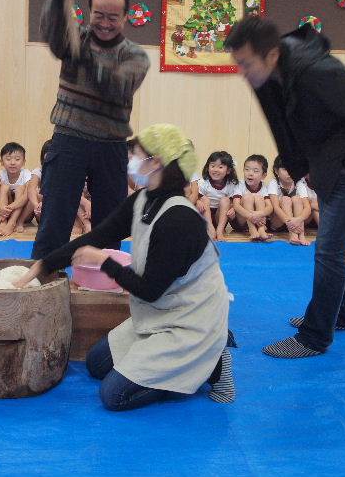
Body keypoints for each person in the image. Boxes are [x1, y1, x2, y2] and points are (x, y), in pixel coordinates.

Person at [15, 124, 234, 411]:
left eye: (137, 155)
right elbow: (98, 236)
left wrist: (104, 262)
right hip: (158, 314)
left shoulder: (180, 220)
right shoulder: (143, 199)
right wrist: (42, 265)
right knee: (96, 364)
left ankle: (213, 361)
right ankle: (167, 360)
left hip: (190, 321)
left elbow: (149, 290)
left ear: (156, 162)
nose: (131, 160)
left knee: (113, 396)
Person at [226, 17, 345, 358]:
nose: (241, 71)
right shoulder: (267, 75)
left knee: (330, 249)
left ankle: (316, 337)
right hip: (328, 165)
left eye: (245, 63)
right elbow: (281, 127)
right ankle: (340, 315)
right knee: (339, 244)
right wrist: (304, 171)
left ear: (271, 55)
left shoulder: (317, 71)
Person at [31, 0, 150, 260]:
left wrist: (90, 61)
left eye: (113, 17)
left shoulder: (135, 56)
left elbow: (118, 84)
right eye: (99, 15)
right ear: (89, 12)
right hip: (69, 139)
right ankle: (44, 279)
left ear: (125, 18)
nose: (106, 23)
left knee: (110, 221)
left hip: (111, 145)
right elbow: (50, 30)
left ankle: (104, 279)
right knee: (55, 216)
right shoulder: (74, 39)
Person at [189, 151, 238, 241]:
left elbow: (233, 202)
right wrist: (198, 201)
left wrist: (233, 208)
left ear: (228, 170)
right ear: (208, 168)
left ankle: (219, 231)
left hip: (220, 217)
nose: (215, 170)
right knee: (204, 199)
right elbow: (196, 197)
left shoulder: (231, 184)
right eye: (212, 166)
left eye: (220, 167)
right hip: (205, 215)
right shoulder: (203, 182)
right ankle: (210, 228)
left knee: (225, 200)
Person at [268, 155, 310, 246]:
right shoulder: (274, 183)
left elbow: (307, 207)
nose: (290, 172)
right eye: (285, 169)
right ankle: (293, 235)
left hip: (296, 223)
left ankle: (301, 235)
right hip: (278, 222)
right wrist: (289, 222)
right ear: (276, 171)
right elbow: (275, 207)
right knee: (285, 199)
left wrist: (298, 219)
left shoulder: (299, 183)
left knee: (297, 199)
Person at [231, 155, 273, 241]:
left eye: (255, 171)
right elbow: (236, 205)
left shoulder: (264, 187)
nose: (250, 173)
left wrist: (259, 214)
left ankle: (261, 230)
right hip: (241, 222)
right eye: (247, 169)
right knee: (248, 197)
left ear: (263, 175)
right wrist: (251, 216)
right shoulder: (239, 185)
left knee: (258, 197)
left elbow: (270, 207)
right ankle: (252, 230)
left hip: (258, 220)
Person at [0, 142, 32, 237]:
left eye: (17, 159)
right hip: (4, 212)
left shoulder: (26, 174)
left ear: (24, 162)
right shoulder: (0, 175)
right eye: (8, 159)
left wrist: (9, 208)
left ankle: (12, 223)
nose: (12, 162)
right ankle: (4, 222)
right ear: (2, 162)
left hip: (21, 212)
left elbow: (27, 196)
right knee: (4, 187)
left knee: (21, 189)